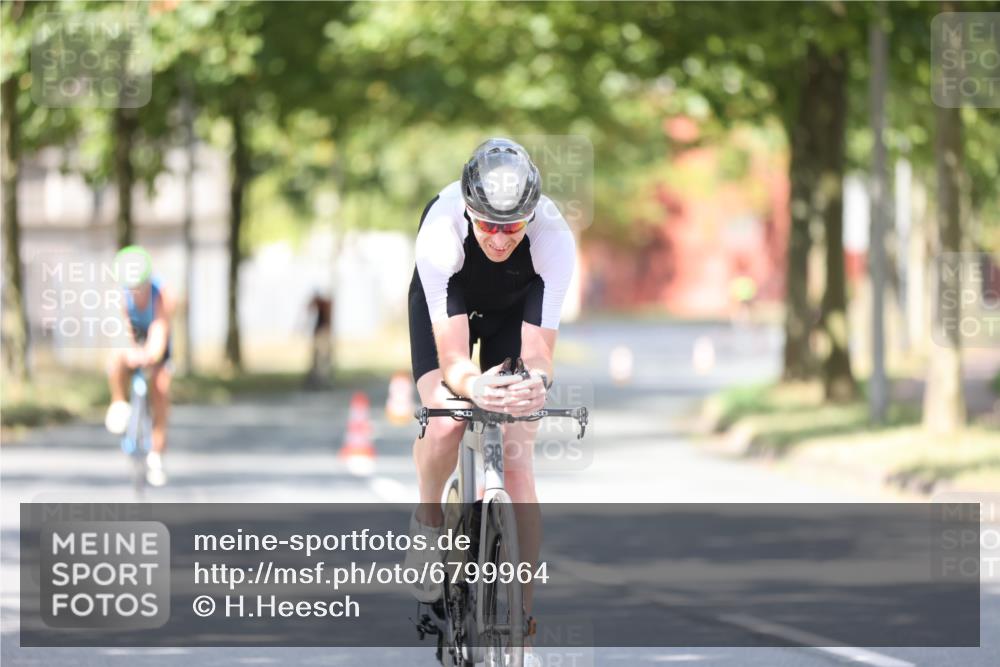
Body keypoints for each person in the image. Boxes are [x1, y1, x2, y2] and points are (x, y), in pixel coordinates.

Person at [404, 138, 575, 622]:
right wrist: (474, 387)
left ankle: (523, 616)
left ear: (532, 214)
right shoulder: (440, 231)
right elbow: (455, 359)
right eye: (487, 225)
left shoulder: (554, 237)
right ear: (468, 209)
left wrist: (533, 384)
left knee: (518, 455)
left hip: (515, 310)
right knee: (445, 422)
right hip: (450, 303)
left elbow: (539, 355)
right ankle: (429, 518)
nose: (500, 239)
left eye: (513, 226)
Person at [104, 245, 175, 487]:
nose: (135, 291)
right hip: (131, 336)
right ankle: (118, 401)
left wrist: (151, 355)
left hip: (155, 337)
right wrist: (129, 352)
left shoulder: (163, 295)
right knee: (116, 361)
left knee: (161, 387)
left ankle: (157, 452)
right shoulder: (118, 295)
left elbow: (160, 332)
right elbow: (120, 331)